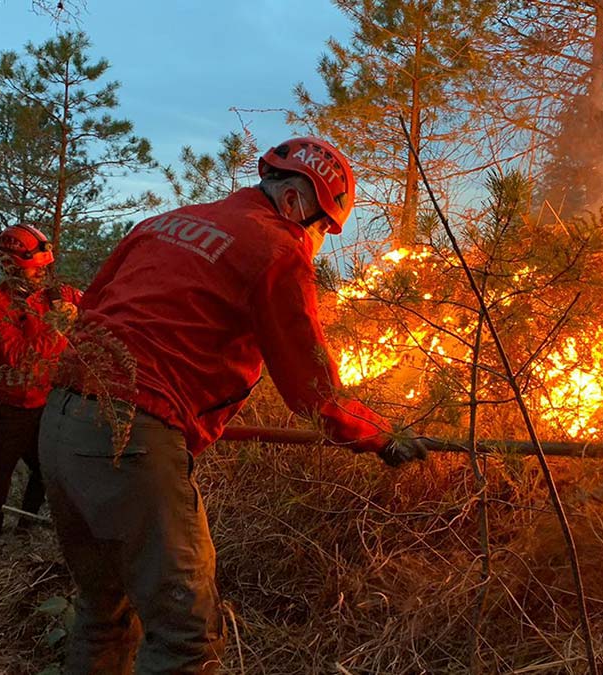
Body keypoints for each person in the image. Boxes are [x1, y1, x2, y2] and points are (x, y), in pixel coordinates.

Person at [39, 136, 427, 674]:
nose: (315, 243)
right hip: (131, 441)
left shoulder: (163, 223)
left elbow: (93, 315)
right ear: (295, 203)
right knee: (185, 638)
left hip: (59, 424)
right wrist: (382, 436)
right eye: (321, 229)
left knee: (103, 612)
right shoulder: (277, 249)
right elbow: (314, 395)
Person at [0, 223, 82, 557]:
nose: (42, 275)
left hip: (46, 404)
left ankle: (25, 532)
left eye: (45, 268)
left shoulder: (58, 295)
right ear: (11, 265)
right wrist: (56, 329)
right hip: (8, 408)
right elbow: (19, 359)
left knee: (49, 472)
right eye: (35, 269)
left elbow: (97, 309)